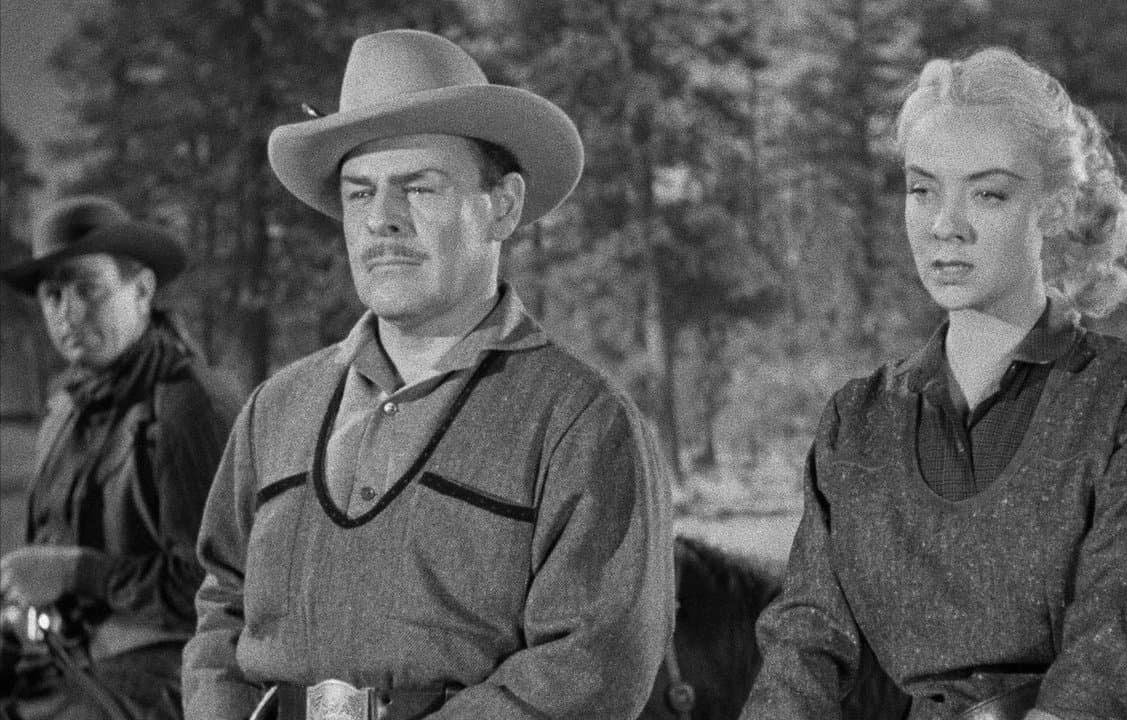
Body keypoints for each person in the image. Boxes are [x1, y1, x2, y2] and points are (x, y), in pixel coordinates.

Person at [181, 29, 674, 720]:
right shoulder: (276, 410)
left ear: (502, 207)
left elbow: (591, 668)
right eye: (359, 194)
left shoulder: (581, 424)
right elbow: (221, 609)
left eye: (418, 187)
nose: (381, 220)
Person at [740, 47, 1127, 720]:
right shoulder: (858, 421)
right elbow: (804, 648)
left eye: (988, 193)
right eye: (922, 190)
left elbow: (1123, 628)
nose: (945, 225)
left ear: (1052, 208)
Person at [0, 196, 237, 719]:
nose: (67, 313)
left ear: (143, 290)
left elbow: (219, 588)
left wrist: (76, 572)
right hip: (66, 652)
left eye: (87, 289)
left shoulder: (188, 407)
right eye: (52, 294)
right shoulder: (66, 409)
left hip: (171, 669)